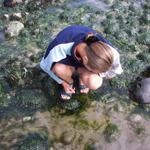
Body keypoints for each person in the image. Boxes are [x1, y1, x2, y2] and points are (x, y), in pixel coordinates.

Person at [40, 25, 123, 100]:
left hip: (84, 63)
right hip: (67, 63)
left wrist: (99, 74)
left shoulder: (110, 52)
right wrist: (62, 82)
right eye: (93, 71)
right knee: (58, 69)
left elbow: (116, 70)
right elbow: (44, 66)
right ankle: (70, 82)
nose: (99, 74)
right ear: (85, 60)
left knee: (94, 83)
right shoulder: (59, 47)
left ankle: (82, 78)